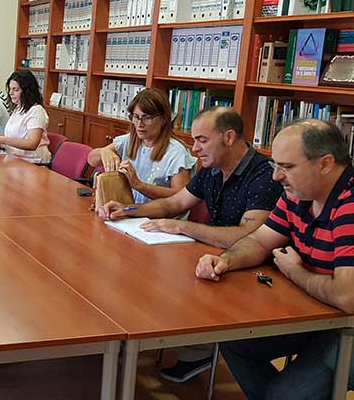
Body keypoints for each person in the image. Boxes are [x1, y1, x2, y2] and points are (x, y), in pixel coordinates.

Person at [99, 107, 283, 382]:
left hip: (250, 271)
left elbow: (251, 236)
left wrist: (182, 226)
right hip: (214, 258)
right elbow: (175, 203)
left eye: (202, 140)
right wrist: (128, 210)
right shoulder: (213, 168)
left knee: (162, 281)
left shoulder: (263, 176)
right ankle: (150, 344)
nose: (195, 149)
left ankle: (196, 348)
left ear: (229, 137)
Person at [196, 119, 354, 400]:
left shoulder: (349, 204)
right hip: (319, 315)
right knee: (234, 339)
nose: (276, 177)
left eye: (287, 167)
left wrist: (294, 270)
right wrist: (226, 260)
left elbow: (347, 297)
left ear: (326, 164)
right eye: (275, 166)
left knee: (285, 394)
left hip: (346, 326)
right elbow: (259, 240)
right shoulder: (299, 192)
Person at [88, 88, 196, 204]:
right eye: (136, 117)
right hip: (127, 212)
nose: (139, 124)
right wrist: (104, 151)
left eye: (147, 118)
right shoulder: (129, 140)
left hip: (156, 218)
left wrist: (139, 185)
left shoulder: (176, 152)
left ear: (164, 119)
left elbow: (182, 198)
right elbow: (91, 160)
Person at [0, 70, 51, 164]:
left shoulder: (36, 111)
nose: (11, 93)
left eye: (15, 90)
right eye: (10, 89)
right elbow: (15, 137)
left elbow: (32, 143)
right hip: (15, 159)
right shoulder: (18, 108)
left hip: (34, 163)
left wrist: (3, 139)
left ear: (27, 91)